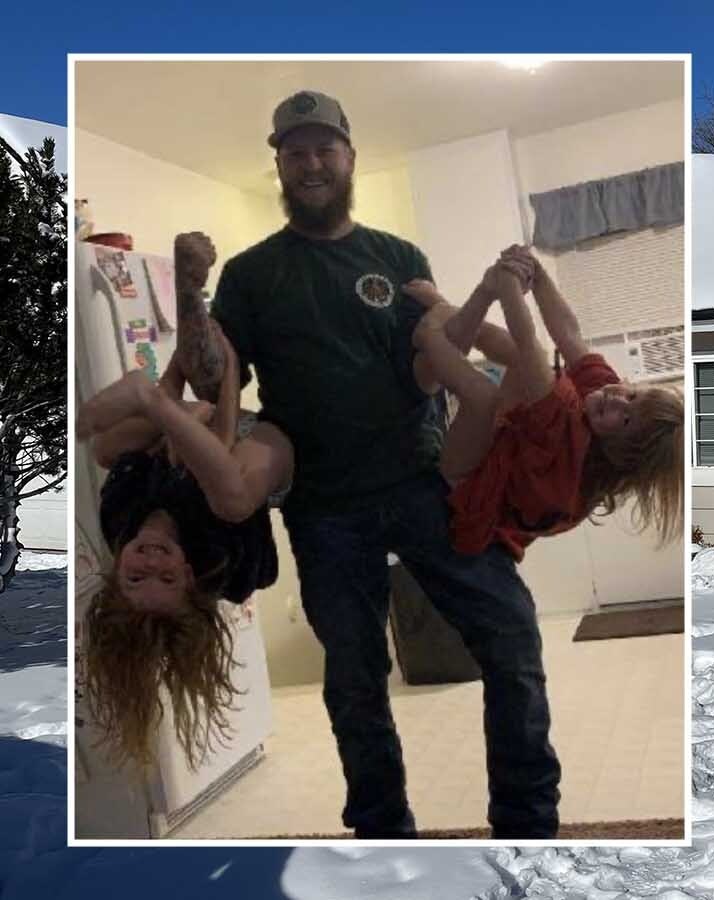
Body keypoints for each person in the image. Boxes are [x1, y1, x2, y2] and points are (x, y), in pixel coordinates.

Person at [206, 89, 560, 838]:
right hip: (324, 505)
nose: (310, 164)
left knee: (512, 635)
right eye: (295, 151)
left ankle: (529, 824)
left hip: (424, 484)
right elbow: (223, 383)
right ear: (278, 162)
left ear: (349, 157)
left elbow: (436, 350)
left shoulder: (397, 258)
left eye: (323, 149)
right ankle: (382, 834)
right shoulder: (249, 274)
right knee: (355, 680)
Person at [77, 233, 293, 771]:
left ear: (115, 575)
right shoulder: (223, 560)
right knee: (232, 492)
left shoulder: (118, 521)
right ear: (191, 579)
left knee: (106, 447)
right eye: (166, 578)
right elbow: (222, 444)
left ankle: (153, 381)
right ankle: (145, 390)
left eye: (134, 576)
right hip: (265, 457)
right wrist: (230, 374)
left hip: (192, 449)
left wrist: (172, 372)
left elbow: (165, 436)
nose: (150, 562)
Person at [403, 247, 683, 560]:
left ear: (618, 451)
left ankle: (429, 333)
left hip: (466, 490)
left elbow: (527, 339)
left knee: (484, 396)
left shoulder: (568, 440)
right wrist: (535, 272)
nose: (617, 399)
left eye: (626, 419)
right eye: (632, 394)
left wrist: (507, 281)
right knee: (523, 364)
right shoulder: (604, 395)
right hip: (509, 452)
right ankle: (445, 314)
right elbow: (569, 333)